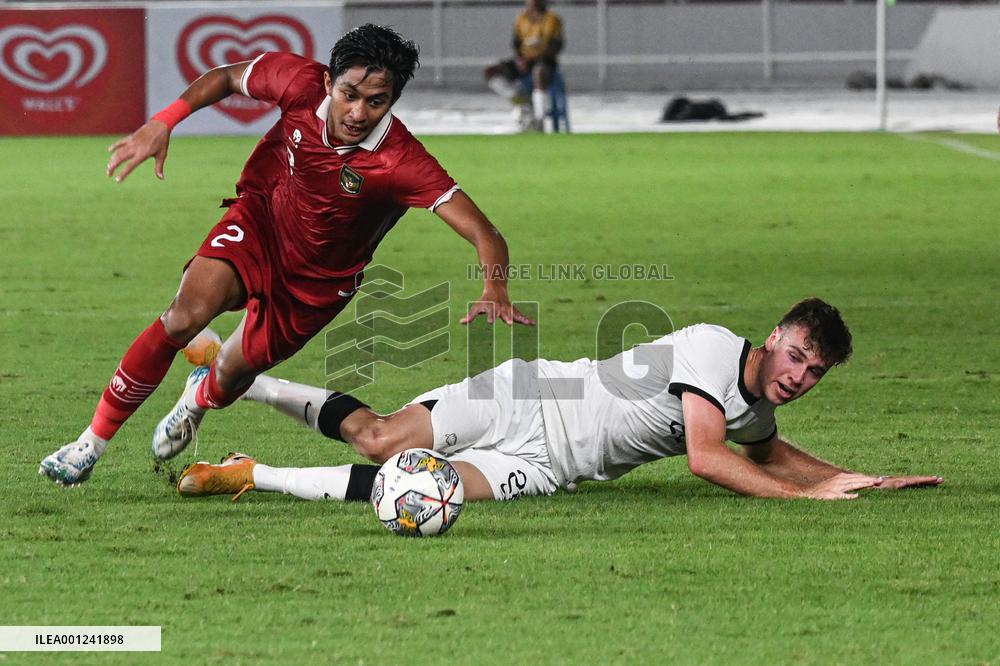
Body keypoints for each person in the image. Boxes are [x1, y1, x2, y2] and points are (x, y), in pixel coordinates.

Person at [39, 24, 534, 487]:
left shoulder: (402, 160)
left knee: (231, 375)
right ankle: (90, 444)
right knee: (183, 317)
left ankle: (199, 397)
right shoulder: (298, 82)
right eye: (349, 94)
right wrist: (163, 122)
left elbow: (484, 232)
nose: (358, 113)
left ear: (392, 102)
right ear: (329, 82)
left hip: (317, 285)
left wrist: (495, 286)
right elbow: (225, 77)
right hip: (261, 221)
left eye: (376, 102)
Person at [176, 298, 942, 503]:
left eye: (815, 373)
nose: (800, 376)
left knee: (421, 489)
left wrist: (861, 480)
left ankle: (245, 473)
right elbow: (708, 459)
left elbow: (769, 451)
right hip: (529, 399)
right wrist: (806, 498)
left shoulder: (758, 408)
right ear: (773, 338)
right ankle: (240, 374)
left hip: (550, 468)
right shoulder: (713, 349)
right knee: (379, 440)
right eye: (797, 356)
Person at [484, 0, 564, 132]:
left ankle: (539, 119)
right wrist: (519, 60)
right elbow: (516, 44)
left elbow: (557, 45)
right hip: (524, 60)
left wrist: (539, 50)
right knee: (490, 71)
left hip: (544, 60)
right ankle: (520, 99)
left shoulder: (552, 19)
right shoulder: (521, 18)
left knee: (539, 72)